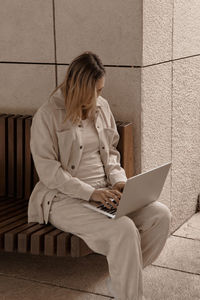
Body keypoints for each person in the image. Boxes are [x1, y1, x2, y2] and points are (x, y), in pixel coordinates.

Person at [28, 51, 172, 300]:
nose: (99, 97)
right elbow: (49, 173)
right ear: (78, 87)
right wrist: (91, 193)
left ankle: (121, 283)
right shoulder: (47, 115)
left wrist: (119, 182)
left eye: (101, 90)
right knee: (124, 229)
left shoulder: (101, 107)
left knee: (160, 215)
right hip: (63, 200)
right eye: (94, 92)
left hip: (105, 194)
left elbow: (111, 154)